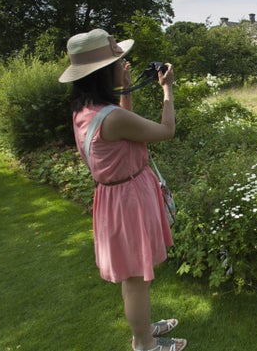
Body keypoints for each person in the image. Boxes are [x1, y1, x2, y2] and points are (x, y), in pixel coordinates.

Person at [58, 29, 186, 351]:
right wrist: (168, 91)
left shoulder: (85, 112)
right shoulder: (110, 118)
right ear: (103, 72)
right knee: (138, 279)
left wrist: (125, 88)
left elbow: (122, 124)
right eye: (118, 60)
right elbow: (166, 131)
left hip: (114, 199)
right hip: (128, 200)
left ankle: (142, 328)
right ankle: (144, 343)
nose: (123, 63)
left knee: (132, 276)